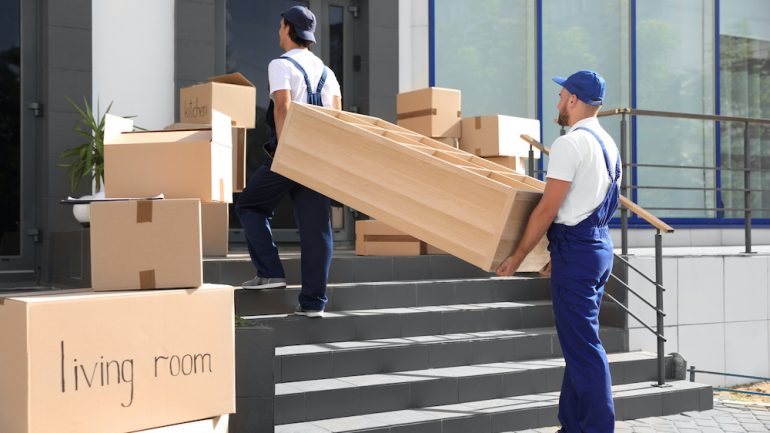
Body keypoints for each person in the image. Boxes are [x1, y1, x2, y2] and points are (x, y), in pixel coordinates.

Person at [496, 69, 620, 433]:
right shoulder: (608, 145)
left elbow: (548, 208)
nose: (557, 102)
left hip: (580, 253)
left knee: (584, 350)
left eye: (561, 95)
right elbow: (588, 206)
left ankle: (597, 428)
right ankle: (572, 425)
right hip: (596, 248)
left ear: (573, 100)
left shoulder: (570, 143)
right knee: (579, 347)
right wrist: (560, 251)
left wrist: (518, 256)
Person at [236, 5, 342, 318]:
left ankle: (270, 271)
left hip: (292, 152)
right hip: (319, 157)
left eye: (280, 25)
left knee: (250, 205)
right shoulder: (328, 73)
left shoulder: (280, 65)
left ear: (286, 29)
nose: (278, 31)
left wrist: (286, 152)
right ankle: (313, 304)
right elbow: (338, 118)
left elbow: (282, 108)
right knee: (316, 230)